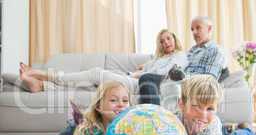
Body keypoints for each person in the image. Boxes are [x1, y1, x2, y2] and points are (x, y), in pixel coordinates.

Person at [18, 29, 188, 94]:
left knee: (95, 74)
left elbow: (165, 75)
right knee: (93, 83)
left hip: (140, 86)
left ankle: (40, 74)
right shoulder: (157, 58)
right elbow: (145, 70)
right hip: (132, 78)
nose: (166, 43)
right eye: (162, 41)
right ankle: (41, 86)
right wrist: (139, 70)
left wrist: (139, 72)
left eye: (168, 38)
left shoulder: (180, 56)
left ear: (174, 38)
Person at [138, 16, 226, 105]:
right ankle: (153, 113)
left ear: (209, 29)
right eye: (192, 29)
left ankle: (153, 115)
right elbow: (177, 61)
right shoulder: (192, 50)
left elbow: (209, 80)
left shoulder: (216, 50)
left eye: (198, 28)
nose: (194, 32)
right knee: (147, 79)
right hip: (176, 80)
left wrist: (182, 77)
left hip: (187, 83)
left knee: (147, 79)